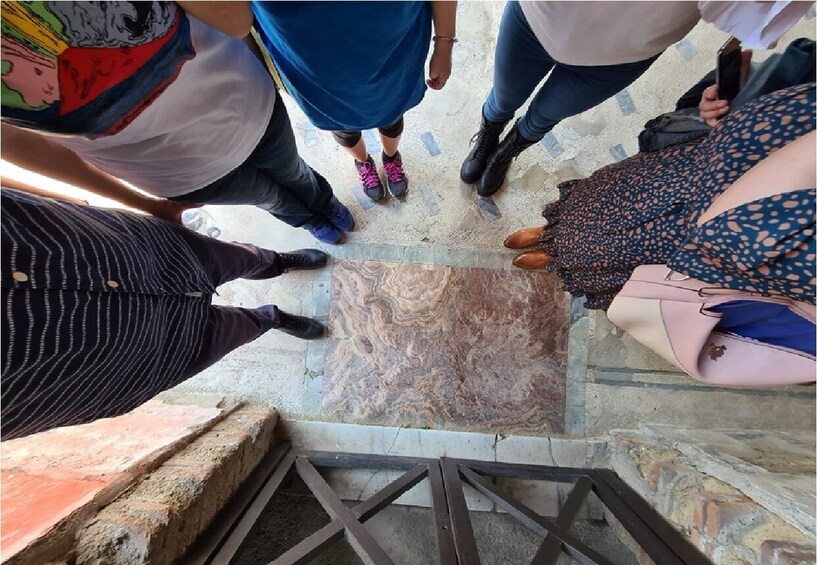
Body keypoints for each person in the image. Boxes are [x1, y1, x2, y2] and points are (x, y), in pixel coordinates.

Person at [0, 1, 353, 244]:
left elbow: (235, 19)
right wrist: (143, 203)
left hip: (244, 105)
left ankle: (322, 204)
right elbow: (17, 145)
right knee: (269, 197)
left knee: (293, 172)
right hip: (172, 172)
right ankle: (308, 219)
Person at [1, 181, 330, 441]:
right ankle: (270, 319)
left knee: (219, 257)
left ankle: (274, 263)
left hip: (86, 248)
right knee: (229, 332)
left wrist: (73, 205)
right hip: (103, 361)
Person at [503, 84, 815, 311]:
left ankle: (563, 260)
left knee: (639, 248)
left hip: (750, 239)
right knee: (624, 194)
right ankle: (553, 233)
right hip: (731, 159)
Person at [460, 1, 814, 197]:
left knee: (544, 117)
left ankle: (506, 151)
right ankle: (488, 137)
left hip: (621, 55)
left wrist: (735, 81)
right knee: (503, 98)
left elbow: (752, 19)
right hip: (537, 17)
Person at [251, 1, 456, 201]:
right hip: (311, 67)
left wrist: (444, 43)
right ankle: (362, 162)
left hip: (393, 50)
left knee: (391, 113)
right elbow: (235, 23)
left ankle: (391, 157)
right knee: (341, 124)